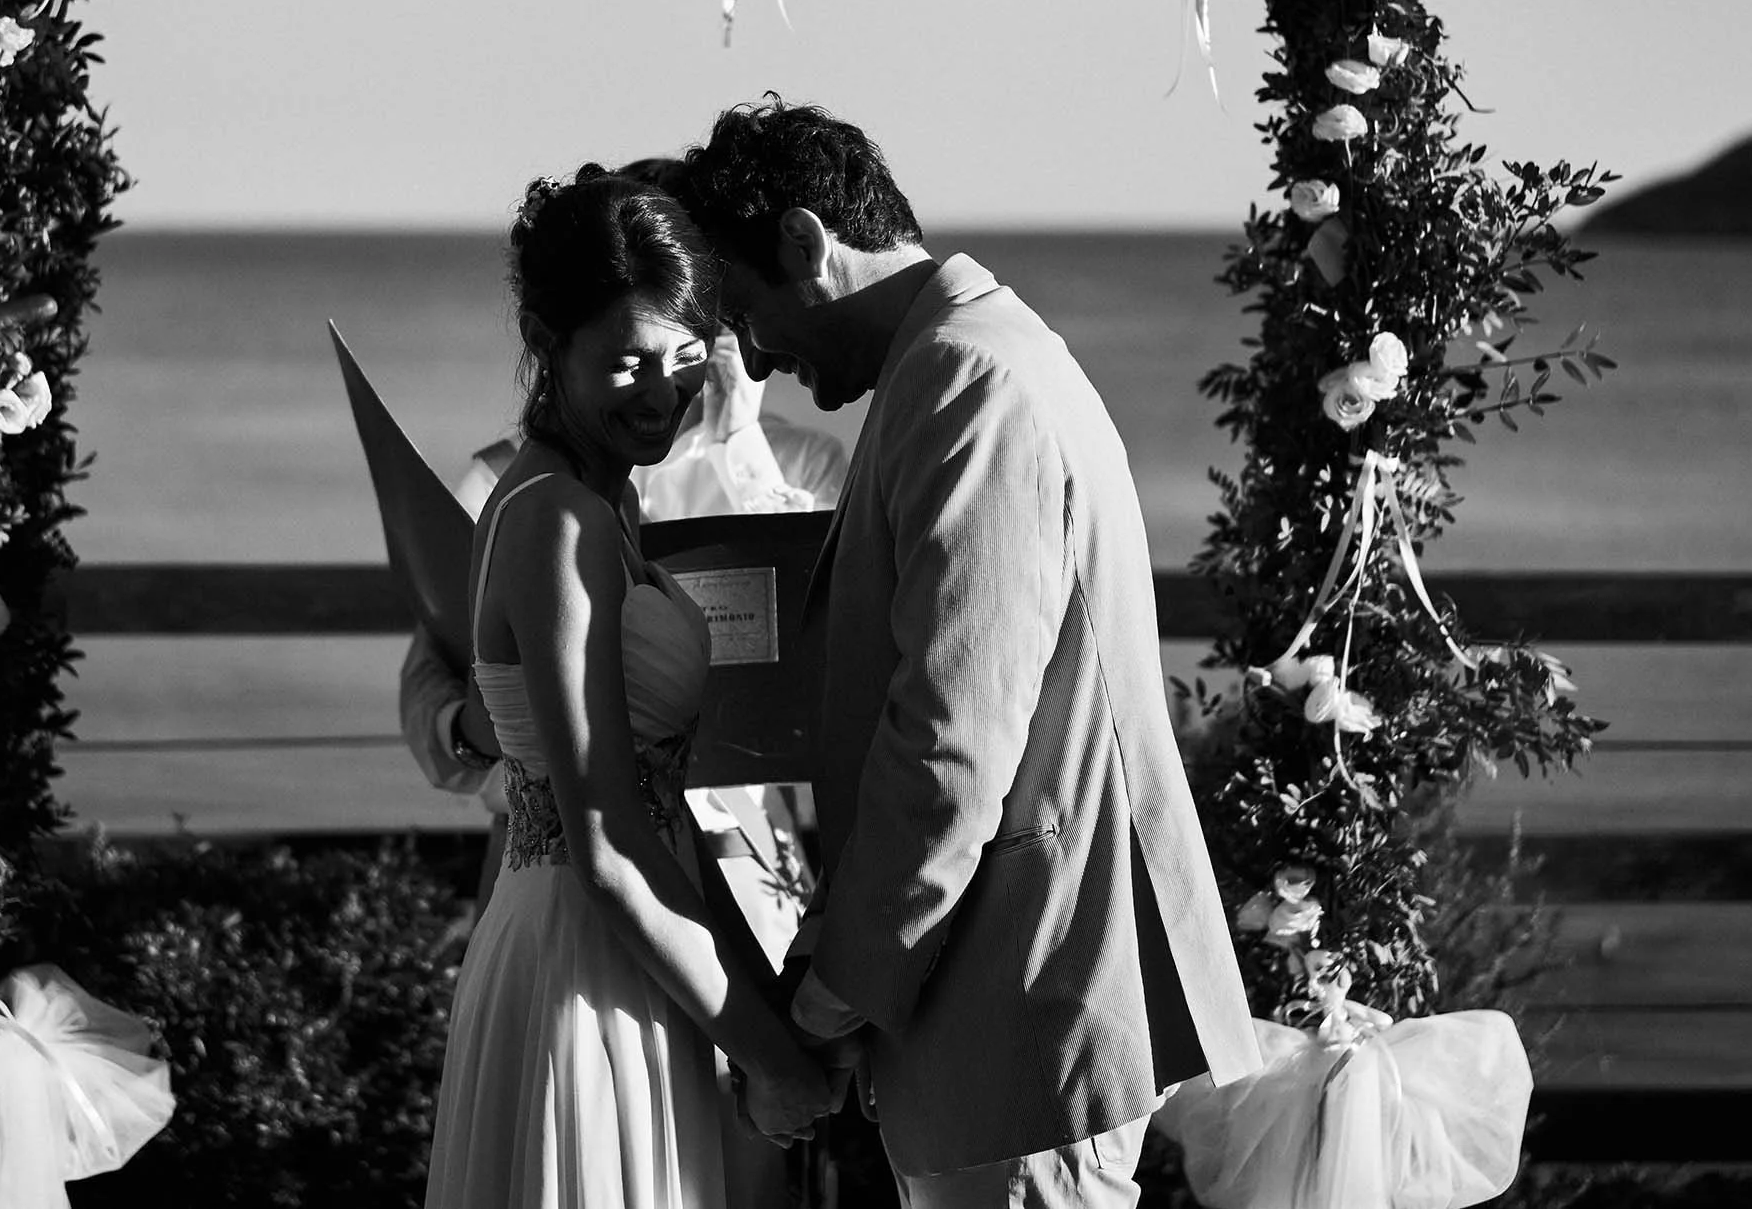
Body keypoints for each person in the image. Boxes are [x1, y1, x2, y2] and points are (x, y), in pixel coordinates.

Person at [679, 100, 1262, 1207]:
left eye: (746, 312)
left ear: (807, 243)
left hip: (1023, 1005)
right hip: (1007, 1003)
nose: (751, 353)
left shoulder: (965, 381)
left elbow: (950, 744)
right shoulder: (967, 359)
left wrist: (826, 997)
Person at [423, 166, 841, 1209]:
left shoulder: (594, 498)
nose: (661, 391)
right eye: (624, 362)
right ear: (545, 338)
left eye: (686, 356)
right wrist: (773, 1056)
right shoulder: (554, 517)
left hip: (634, 948)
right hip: (586, 953)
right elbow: (607, 845)